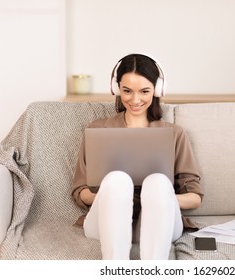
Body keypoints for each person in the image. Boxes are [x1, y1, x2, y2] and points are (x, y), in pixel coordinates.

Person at [71, 53, 203, 260]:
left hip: (159, 222)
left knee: (157, 182)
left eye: (144, 91)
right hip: (106, 222)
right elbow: (81, 192)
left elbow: (194, 198)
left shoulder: (175, 134)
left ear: (158, 90)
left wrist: (153, 199)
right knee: (117, 180)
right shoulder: (98, 129)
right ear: (116, 89)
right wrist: (118, 198)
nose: (135, 100)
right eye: (127, 91)